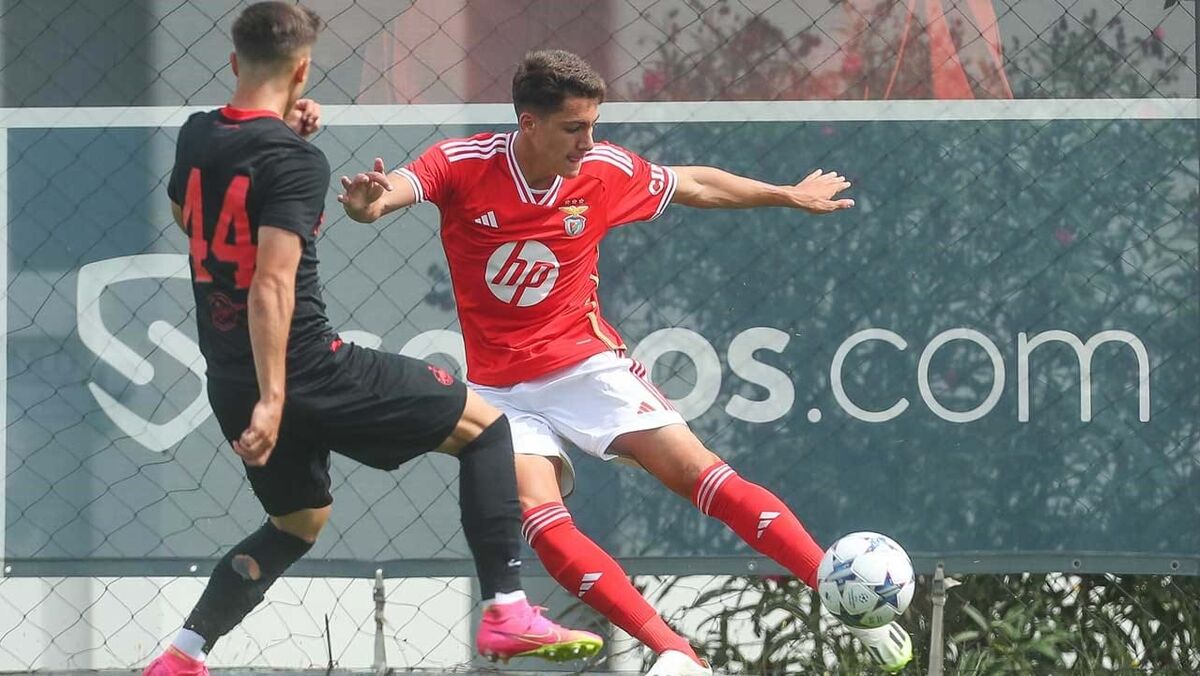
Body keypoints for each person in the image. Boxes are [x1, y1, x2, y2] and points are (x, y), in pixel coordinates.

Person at [339, 49, 912, 675]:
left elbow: (693, 183)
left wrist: (785, 195)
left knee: (698, 472)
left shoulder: (602, 170)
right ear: (529, 123)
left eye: (593, 125)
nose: (588, 142)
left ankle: (837, 590)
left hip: (587, 366)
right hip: (499, 390)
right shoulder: (464, 162)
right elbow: (395, 191)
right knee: (542, 521)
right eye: (573, 128)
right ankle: (675, 651)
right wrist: (369, 204)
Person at [143, 10, 601, 676]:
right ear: (304, 69)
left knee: (298, 522)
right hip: (303, 370)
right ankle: (506, 610)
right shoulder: (296, 160)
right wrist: (275, 398)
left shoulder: (198, 135)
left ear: (235, 61)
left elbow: (188, 215)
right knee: (487, 429)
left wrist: (260, 398)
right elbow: (272, 284)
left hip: (230, 378)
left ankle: (183, 655)